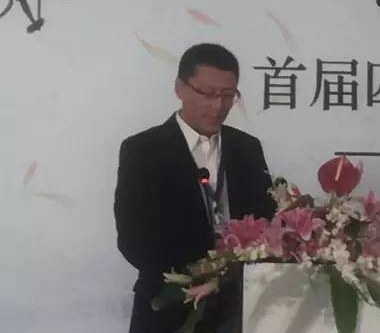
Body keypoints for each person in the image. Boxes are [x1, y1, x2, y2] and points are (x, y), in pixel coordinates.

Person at [114, 43, 276, 333]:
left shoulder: (247, 148)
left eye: (228, 95)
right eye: (208, 94)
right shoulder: (142, 150)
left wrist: (232, 276)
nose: (218, 106)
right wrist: (199, 274)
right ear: (180, 88)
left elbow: (267, 221)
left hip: (238, 309)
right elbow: (133, 238)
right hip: (168, 307)